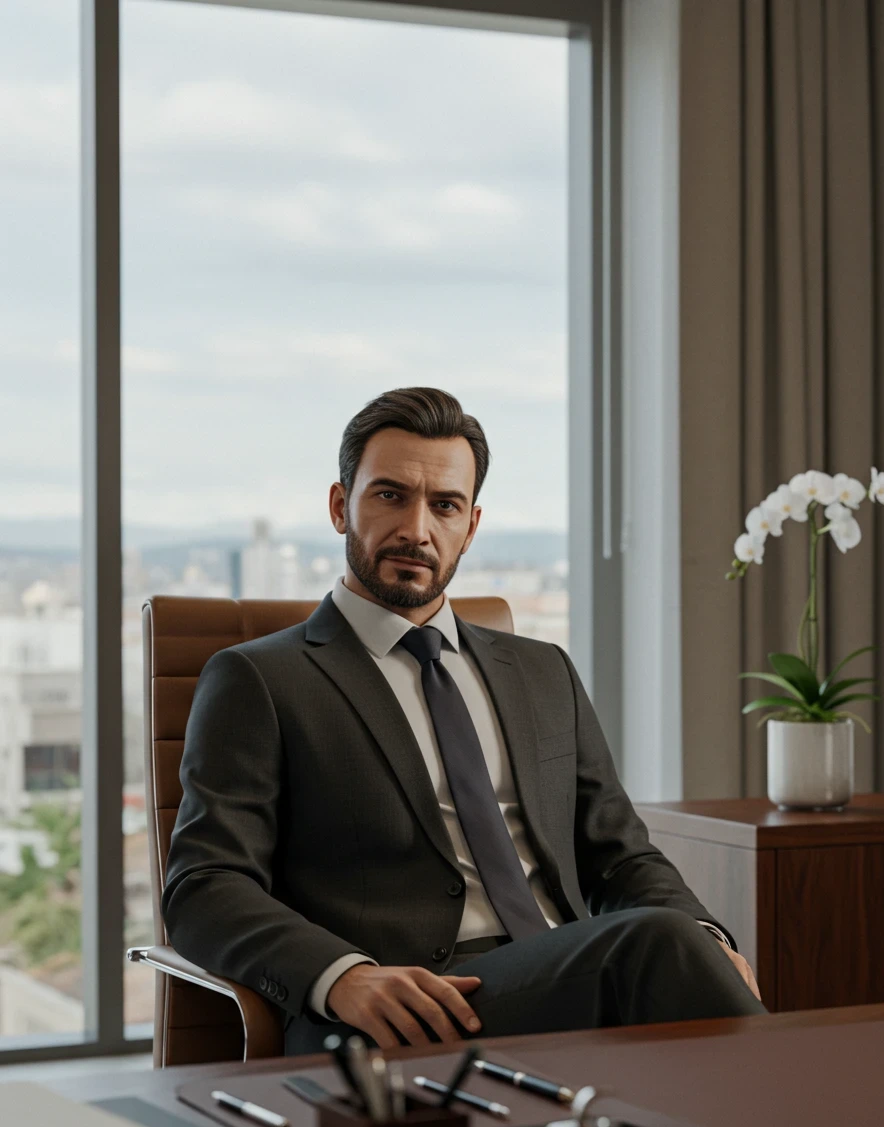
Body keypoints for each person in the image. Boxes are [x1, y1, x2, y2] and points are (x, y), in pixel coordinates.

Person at [162, 387, 767, 1055]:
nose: (416, 529)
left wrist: (705, 941)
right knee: (661, 950)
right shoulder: (261, 680)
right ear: (341, 507)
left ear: (470, 527)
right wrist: (342, 978)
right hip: (401, 1008)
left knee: (679, 945)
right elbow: (203, 886)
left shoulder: (543, 673)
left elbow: (619, 856)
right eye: (389, 496)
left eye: (444, 506)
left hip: (569, 975)